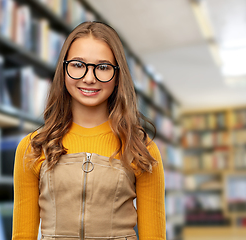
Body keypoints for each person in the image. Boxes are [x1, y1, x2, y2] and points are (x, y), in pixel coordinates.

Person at [12, 21, 166, 240]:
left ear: (117, 75)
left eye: (103, 67)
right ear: (63, 69)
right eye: (77, 64)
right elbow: (22, 235)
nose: (89, 78)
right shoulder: (33, 147)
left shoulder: (141, 149)